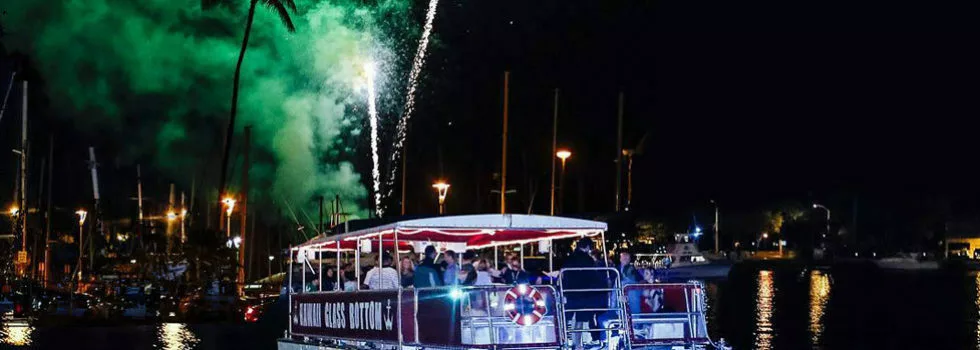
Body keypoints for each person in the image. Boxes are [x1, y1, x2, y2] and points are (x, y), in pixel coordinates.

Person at [563, 237, 607, 349]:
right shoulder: (588, 259)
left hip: (569, 292)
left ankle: (565, 342)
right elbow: (592, 277)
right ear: (587, 247)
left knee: (566, 318)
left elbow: (564, 275)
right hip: (583, 293)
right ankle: (577, 344)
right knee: (580, 320)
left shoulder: (569, 258)